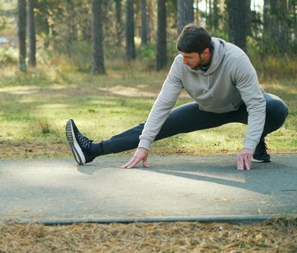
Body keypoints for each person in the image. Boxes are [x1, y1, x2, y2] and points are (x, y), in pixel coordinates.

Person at [66, 24, 289, 171]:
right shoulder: (179, 64)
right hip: (208, 109)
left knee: (276, 108)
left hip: (242, 106)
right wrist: (145, 144)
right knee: (157, 125)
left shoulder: (236, 59)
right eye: (181, 55)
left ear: (206, 52)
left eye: (188, 57)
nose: (183, 61)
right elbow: (162, 105)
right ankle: (92, 150)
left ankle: (258, 144)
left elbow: (256, 105)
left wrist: (248, 146)